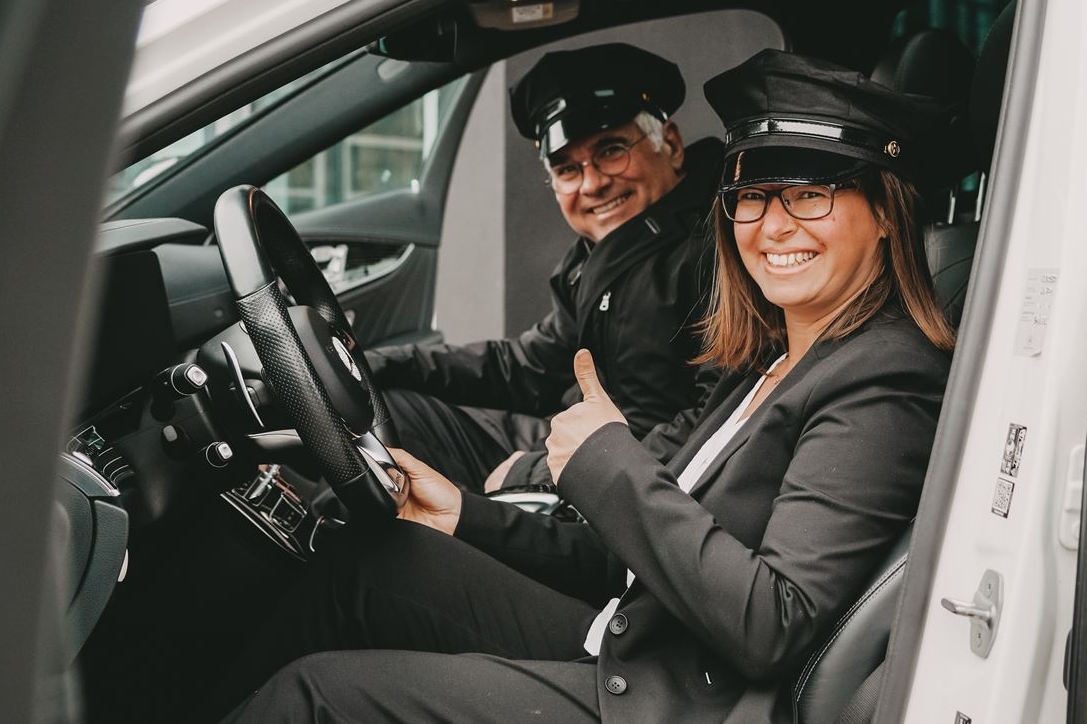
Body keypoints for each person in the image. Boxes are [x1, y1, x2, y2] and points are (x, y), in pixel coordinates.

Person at [214, 49, 957, 723]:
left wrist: (607, 460)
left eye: (810, 193)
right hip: (638, 634)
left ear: (886, 213)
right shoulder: (773, 355)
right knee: (369, 563)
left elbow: (772, 624)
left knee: (311, 696)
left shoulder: (882, 373)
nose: (772, 225)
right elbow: (638, 556)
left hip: (672, 697)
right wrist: (463, 515)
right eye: (752, 196)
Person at [364, 42, 722, 493]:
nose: (592, 184)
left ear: (669, 144)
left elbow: (716, 421)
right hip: (575, 447)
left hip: (631, 483)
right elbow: (526, 368)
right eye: (568, 169)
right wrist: (378, 363)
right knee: (387, 413)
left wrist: (539, 475)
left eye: (612, 150)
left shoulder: (720, 243)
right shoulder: (598, 257)